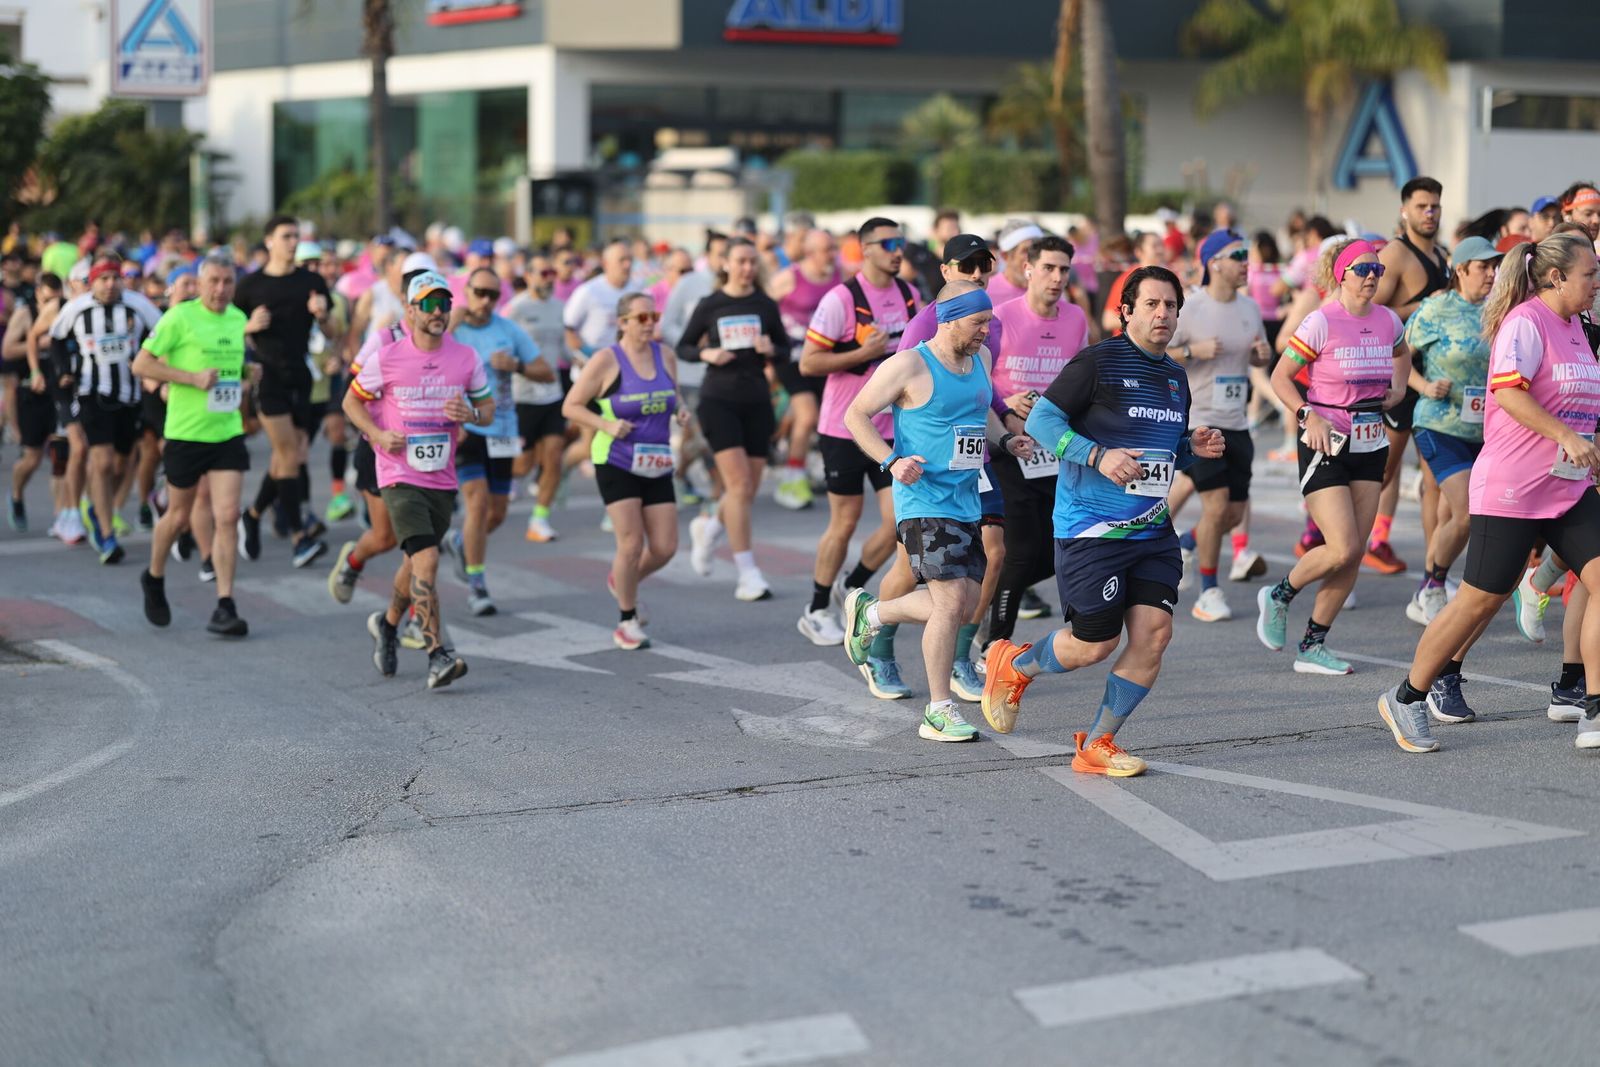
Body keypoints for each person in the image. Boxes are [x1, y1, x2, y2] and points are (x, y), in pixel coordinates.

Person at [982, 266, 1225, 776]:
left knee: (1155, 633)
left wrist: (1190, 448)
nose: (1163, 314)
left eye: (1172, 306)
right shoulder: (1098, 361)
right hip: (1091, 530)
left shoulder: (1175, 376)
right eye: (1152, 304)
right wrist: (1097, 456)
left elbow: (1156, 456)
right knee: (1094, 643)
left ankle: (1098, 743)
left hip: (1152, 530)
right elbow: (1044, 421)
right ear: (1128, 310)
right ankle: (1015, 663)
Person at [1378, 232, 1600, 752]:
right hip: (1513, 488)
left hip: (1566, 490)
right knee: (1481, 599)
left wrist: (1589, 452)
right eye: (1589, 274)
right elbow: (1508, 391)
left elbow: (1584, 409)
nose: (1597, 282)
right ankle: (1407, 696)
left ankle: (1593, 707)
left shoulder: (1577, 329)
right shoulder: (1525, 323)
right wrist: (1565, 436)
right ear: (1556, 278)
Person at [841, 281, 1027, 742]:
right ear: (948, 318)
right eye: (977, 322)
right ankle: (938, 710)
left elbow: (980, 411)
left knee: (963, 603)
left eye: (989, 321)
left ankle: (874, 615)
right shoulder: (909, 364)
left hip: (966, 496)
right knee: (948, 603)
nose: (987, 330)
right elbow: (855, 414)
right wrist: (891, 460)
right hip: (922, 500)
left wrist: (1006, 440)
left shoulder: (979, 360)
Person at [1257, 238, 1410, 675]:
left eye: (1377, 270)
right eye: (1363, 269)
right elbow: (1281, 377)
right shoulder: (1321, 320)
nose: (1371, 277)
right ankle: (1280, 595)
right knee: (1340, 546)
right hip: (1326, 441)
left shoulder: (1387, 321)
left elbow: (1402, 353)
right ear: (1341, 274)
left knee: (1354, 551)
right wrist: (1308, 416)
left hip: (1370, 442)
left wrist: (1398, 390)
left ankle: (1313, 645)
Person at [343, 270, 493, 690]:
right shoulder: (387, 356)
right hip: (397, 473)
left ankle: (388, 625)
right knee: (428, 559)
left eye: (444, 303)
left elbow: (488, 408)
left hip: (441, 477)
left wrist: (473, 415)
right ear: (410, 311)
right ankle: (436, 654)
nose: (438, 312)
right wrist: (376, 434)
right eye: (428, 304)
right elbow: (351, 400)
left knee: (414, 563)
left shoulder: (465, 358)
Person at [897, 234, 1027, 699]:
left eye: (984, 267)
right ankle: (882, 641)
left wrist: (1009, 430)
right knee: (926, 583)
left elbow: (982, 391)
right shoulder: (922, 334)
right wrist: (894, 457)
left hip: (975, 465)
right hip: (925, 474)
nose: (978, 275)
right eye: (967, 267)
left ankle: (948, 648)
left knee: (987, 565)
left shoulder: (983, 337)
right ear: (946, 272)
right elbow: (893, 398)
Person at [795, 217, 919, 649]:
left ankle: (852, 584)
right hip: (844, 427)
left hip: (890, 430)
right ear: (865, 249)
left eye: (900, 241)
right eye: (887, 243)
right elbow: (808, 363)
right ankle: (814, 609)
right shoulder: (841, 299)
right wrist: (859, 353)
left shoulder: (909, 294)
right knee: (844, 522)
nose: (897, 250)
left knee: (896, 523)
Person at [134, 252, 255, 635]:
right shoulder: (178, 318)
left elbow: (233, 368)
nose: (221, 289)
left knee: (228, 514)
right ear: (200, 283)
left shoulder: (238, 320)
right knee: (179, 517)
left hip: (227, 431)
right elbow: (142, 365)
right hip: (186, 433)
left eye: (228, 282)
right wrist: (189, 378)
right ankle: (154, 577)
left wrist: (250, 373)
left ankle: (225, 604)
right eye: (214, 281)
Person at [562, 293, 685, 651]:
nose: (650, 323)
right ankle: (626, 620)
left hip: (656, 459)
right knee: (631, 543)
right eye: (642, 317)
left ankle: (623, 579)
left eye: (654, 316)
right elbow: (571, 405)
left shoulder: (666, 355)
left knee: (665, 547)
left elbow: (673, 395)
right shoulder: (605, 361)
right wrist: (605, 423)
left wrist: (681, 411)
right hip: (615, 459)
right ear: (623, 323)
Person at [986, 236, 1090, 649]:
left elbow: (1082, 374)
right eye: (1048, 267)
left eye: (1064, 269)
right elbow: (978, 373)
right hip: (1009, 444)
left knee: (1053, 551)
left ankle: (987, 595)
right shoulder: (999, 316)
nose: (1057, 277)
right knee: (1021, 550)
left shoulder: (1076, 318)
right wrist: (1005, 400)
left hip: (1056, 447)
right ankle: (994, 645)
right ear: (1027, 269)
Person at [1169, 229, 1271, 622]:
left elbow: (1258, 359)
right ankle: (1207, 592)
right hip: (1201, 423)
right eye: (1238, 255)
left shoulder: (1250, 307)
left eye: (1247, 255)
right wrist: (1193, 350)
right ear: (1214, 263)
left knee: (1232, 514)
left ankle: (1187, 543)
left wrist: (1262, 355)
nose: (1247, 262)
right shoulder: (1191, 308)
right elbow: (1157, 352)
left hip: (1237, 423)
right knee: (1215, 508)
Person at [679, 238, 789, 601]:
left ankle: (709, 525)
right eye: (740, 261)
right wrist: (707, 352)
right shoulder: (712, 304)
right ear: (725, 264)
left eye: (752, 262)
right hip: (718, 400)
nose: (747, 268)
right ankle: (748, 573)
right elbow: (684, 346)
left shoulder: (764, 304)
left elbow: (786, 348)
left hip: (757, 400)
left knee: (747, 489)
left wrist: (771, 349)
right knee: (739, 486)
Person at [1402, 236, 1499, 633]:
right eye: (1483, 266)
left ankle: (1429, 586)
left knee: (1455, 514)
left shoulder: (1503, 310)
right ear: (1460, 269)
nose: (1492, 273)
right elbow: (1398, 355)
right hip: (1438, 424)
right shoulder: (1437, 308)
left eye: (1496, 266)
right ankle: (1433, 585)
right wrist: (1423, 386)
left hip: (1487, 430)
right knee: (1467, 510)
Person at [442, 267, 548, 616]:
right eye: (479, 292)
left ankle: (460, 542)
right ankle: (477, 584)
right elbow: (424, 357)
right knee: (477, 502)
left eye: (492, 295)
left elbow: (545, 371)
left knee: (497, 513)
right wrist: (451, 324)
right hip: (466, 429)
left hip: (502, 428)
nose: (485, 301)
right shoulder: (451, 329)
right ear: (466, 291)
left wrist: (516, 365)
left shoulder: (507, 330)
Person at [48, 254, 163, 563]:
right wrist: (63, 370)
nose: (110, 285)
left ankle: (99, 507)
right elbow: (56, 338)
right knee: (101, 460)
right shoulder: (77, 308)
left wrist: (154, 364)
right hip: (90, 392)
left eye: (115, 278)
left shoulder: (138, 305)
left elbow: (164, 334)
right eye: (103, 279)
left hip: (129, 394)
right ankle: (106, 534)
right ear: (93, 282)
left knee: (121, 464)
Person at [234, 215, 333, 569]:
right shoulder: (250, 285)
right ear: (269, 241)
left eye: (296, 236)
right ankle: (298, 537)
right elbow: (225, 329)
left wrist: (320, 315)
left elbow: (332, 330)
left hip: (301, 376)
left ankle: (254, 513)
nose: (293, 242)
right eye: (286, 236)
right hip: (268, 375)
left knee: (289, 456)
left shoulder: (312, 281)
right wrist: (248, 326)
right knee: (289, 453)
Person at [1368, 177, 1449, 575]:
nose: (1430, 213)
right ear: (1405, 210)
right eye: (1422, 206)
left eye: (1435, 206)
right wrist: (1422, 304)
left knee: (1435, 483)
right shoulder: (1395, 255)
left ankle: (1434, 578)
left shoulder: (1442, 256)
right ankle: (1336, 546)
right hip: (1401, 380)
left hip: (1438, 382)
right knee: (1380, 475)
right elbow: (1369, 310)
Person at [767, 228, 840, 511]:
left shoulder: (839, 274)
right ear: (809, 253)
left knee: (828, 417)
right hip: (792, 356)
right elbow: (764, 308)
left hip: (824, 357)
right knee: (807, 414)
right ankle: (791, 479)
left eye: (833, 248)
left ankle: (809, 468)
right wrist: (767, 351)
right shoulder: (790, 277)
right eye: (826, 250)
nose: (832, 254)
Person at [505, 266, 570, 543]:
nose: (548, 278)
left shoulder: (559, 306)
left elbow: (563, 346)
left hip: (552, 393)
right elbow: (502, 349)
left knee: (554, 457)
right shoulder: (515, 309)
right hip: (523, 396)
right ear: (529, 276)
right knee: (522, 466)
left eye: (550, 273)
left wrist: (582, 357)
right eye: (542, 273)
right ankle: (495, 476)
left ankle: (539, 519)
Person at [6, 273, 61, 531]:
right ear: (38, 292)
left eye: (56, 298)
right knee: (32, 458)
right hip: (31, 392)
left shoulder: (63, 311)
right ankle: (16, 495)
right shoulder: (25, 313)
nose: (52, 303)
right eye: (47, 297)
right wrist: (41, 343)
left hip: (58, 391)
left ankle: (63, 515)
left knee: (62, 454)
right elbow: (6, 349)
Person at [986, 220, 1044, 307]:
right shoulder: (985, 292)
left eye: (1038, 250)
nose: (1034, 257)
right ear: (1005, 256)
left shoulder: (1049, 290)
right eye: (1025, 251)